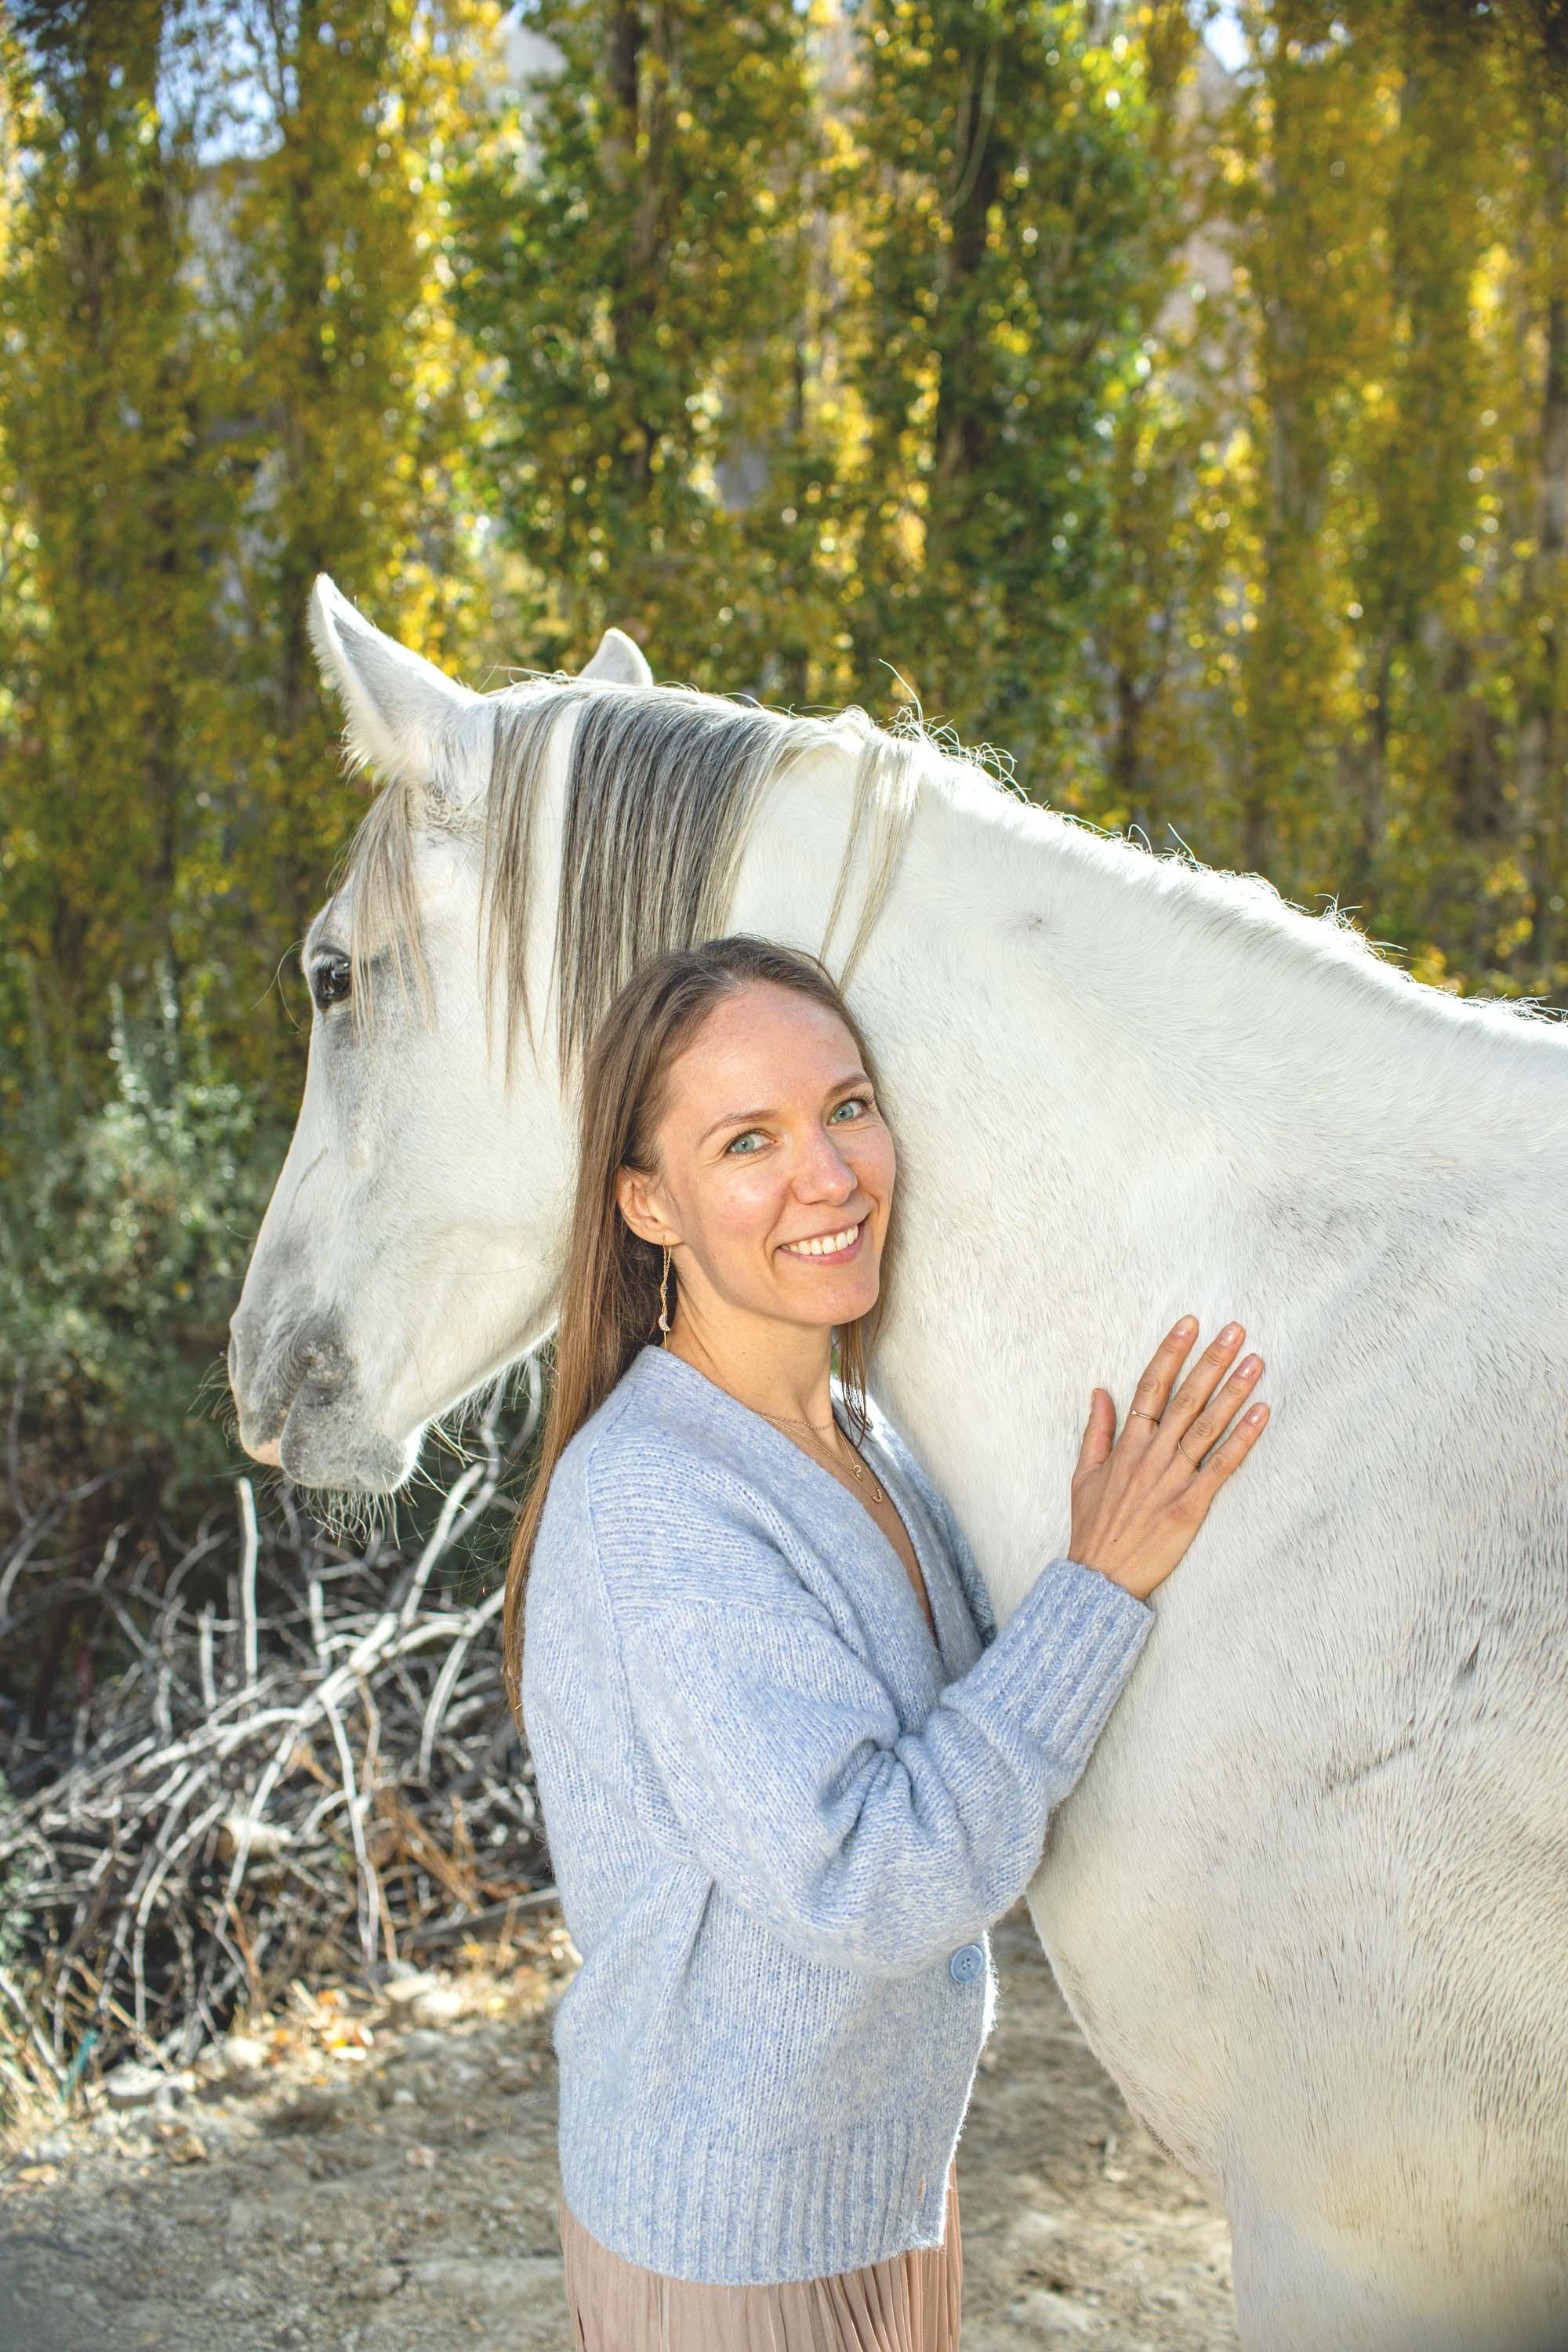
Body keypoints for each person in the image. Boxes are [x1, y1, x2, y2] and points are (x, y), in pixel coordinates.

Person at [506, 932, 1270, 2350]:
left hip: (881, 2194)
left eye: (846, 1107)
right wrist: (1094, 1586)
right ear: (648, 1205)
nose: (830, 1176)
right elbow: (876, 1878)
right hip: (729, 2246)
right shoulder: (656, 1505)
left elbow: (975, 1742)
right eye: (750, 1141)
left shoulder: (861, 1432)